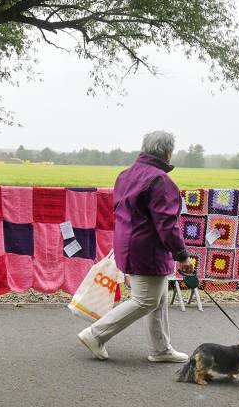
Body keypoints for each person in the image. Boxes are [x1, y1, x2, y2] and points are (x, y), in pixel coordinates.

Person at [78, 130, 194, 363]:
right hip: (147, 248)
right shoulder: (160, 180)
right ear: (167, 152)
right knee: (146, 300)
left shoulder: (126, 175)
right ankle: (95, 334)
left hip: (127, 242)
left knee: (157, 297)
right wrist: (182, 254)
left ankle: (161, 349)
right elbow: (167, 224)